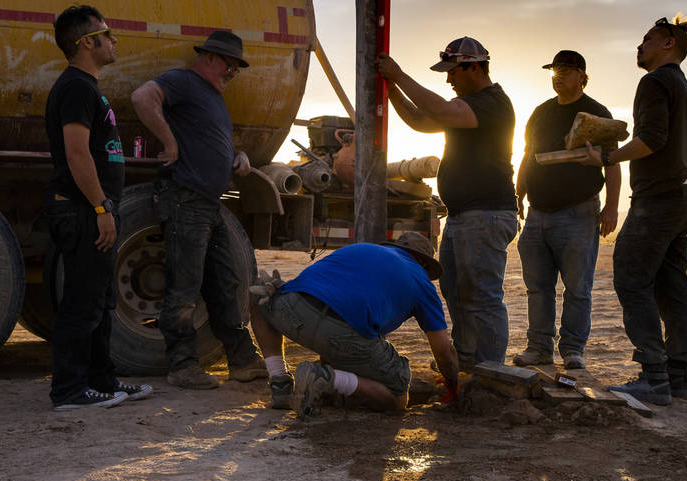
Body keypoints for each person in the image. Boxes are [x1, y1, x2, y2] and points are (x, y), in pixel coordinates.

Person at [130, 31, 268, 390]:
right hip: (185, 197)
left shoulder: (212, 98)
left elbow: (214, 142)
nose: (233, 72)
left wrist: (237, 156)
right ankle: (182, 366)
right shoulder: (184, 81)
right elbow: (143, 97)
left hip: (208, 203)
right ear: (208, 57)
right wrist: (170, 141)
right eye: (230, 63)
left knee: (224, 283)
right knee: (184, 286)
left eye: (237, 66)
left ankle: (242, 361)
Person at [582, 14, 687, 405]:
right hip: (682, 198)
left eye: (647, 38)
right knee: (672, 289)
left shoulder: (654, 81)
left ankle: (653, 376)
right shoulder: (683, 86)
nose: (640, 45)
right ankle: (677, 377)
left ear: (668, 44)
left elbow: (650, 139)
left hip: (658, 201)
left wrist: (606, 157)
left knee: (632, 281)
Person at [378, 37, 518, 369]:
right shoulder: (466, 108)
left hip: (485, 215)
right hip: (463, 216)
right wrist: (390, 88)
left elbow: (438, 109)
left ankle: (490, 370)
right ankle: (468, 359)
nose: (448, 79)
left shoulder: (491, 103)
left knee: (482, 297)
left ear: (473, 67)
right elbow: (418, 118)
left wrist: (397, 75)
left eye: (452, 71)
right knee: (457, 294)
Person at [44, 4, 153, 411]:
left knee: (102, 300)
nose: (113, 41)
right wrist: (100, 208)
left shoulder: (86, 87)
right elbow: (77, 154)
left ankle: (101, 381)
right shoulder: (75, 87)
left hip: (94, 209)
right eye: (107, 34)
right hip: (82, 210)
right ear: (87, 42)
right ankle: (69, 392)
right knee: (83, 302)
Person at [248, 233, 459, 418]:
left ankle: (279, 380)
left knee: (260, 294)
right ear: (424, 264)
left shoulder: (360, 249)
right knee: (397, 398)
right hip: (342, 334)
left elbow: (316, 287)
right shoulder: (422, 282)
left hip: (295, 311)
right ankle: (327, 378)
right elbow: (443, 353)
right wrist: (453, 384)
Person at [512, 50, 621, 370]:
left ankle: (573, 350)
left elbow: (612, 164)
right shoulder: (540, 112)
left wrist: (612, 209)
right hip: (537, 213)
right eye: (554, 70)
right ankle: (539, 348)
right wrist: (518, 194)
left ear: (582, 77)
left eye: (566, 70)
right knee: (538, 288)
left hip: (579, 213)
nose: (558, 76)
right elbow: (527, 154)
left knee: (577, 288)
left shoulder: (596, 114)